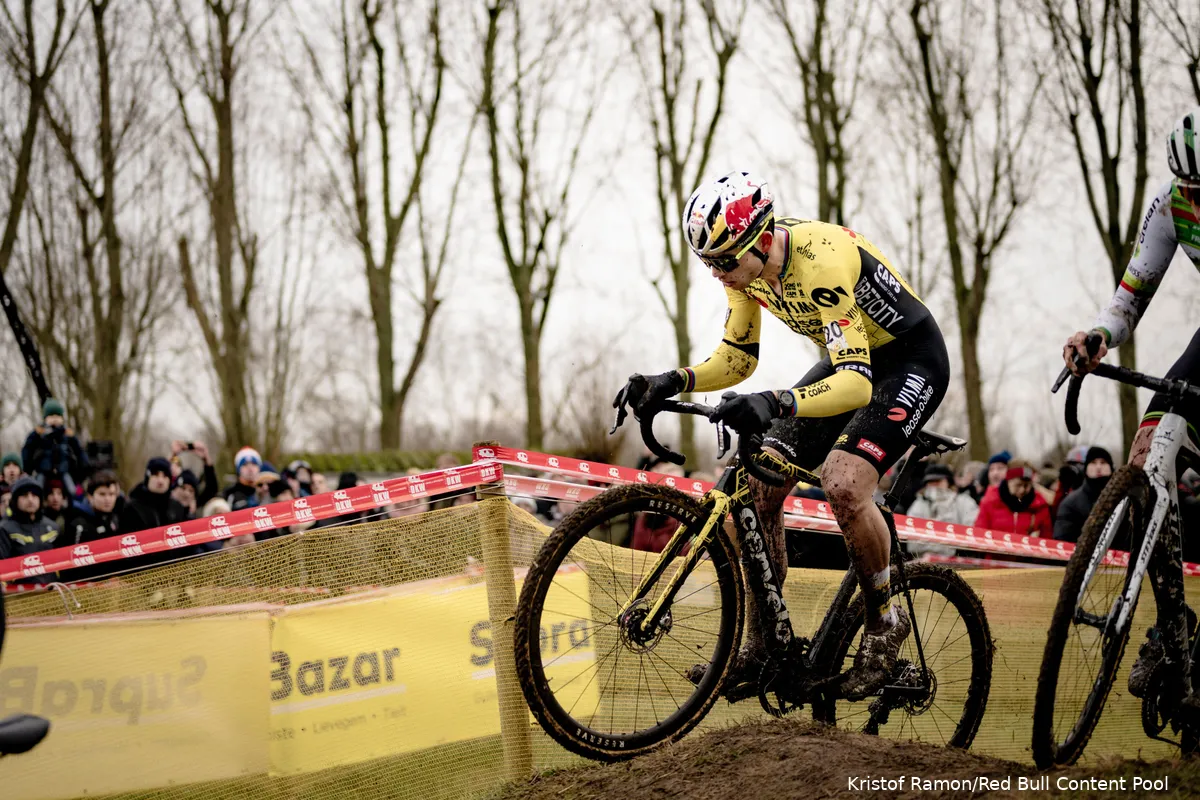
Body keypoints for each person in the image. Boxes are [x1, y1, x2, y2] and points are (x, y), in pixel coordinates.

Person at [616, 170, 951, 700]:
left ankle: (885, 626)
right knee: (754, 487)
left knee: (843, 483)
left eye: (726, 261)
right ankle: (763, 643)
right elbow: (737, 357)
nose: (720, 274)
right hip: (849, 362)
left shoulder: (819, 262)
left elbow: (857, 384)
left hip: (909, 362)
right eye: (708, 264)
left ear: (765, 240)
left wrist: (776, 400)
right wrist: (674, 378)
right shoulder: (747, 269)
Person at [1063, 107, 1200, 700]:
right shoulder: (1172, 204)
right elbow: (1130, 296)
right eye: (1193, 187)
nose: (1199, 198)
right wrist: (1096, 335)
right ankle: (1175, 631)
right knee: (1148, 454)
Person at [20, 398, 88, 492]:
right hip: (43, 470)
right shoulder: (39, 433)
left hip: (63, 470)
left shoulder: (68, 434)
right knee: (37, 489)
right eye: (51, 416)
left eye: (58, 416)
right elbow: (27, 449)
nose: (55, 419)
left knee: (72, 490)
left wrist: (81, 471)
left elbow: (79, 451)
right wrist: (27, 469)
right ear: (45, 418)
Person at [974, 459, 1053, 537]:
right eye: (1018, 485)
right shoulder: (990, 502)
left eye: (1026, 486)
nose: (1022, 490)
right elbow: (979, 534)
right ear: (1008, 481)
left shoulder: (1040, 506)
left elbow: (1046, 538)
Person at [1053, 447, 1115, 544]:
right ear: (1086, 468)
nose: (1098, 467)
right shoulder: (1070, 503)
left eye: (1103, 462)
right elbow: (1062, 541)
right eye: (1093, 462)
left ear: (1111, 468)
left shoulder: (1124, 500)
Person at [0, 478, 59, 569]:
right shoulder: (5, 529)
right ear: (15, 500)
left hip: (51, 583)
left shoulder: (53, 527)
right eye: (24, 495)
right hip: (19, 583)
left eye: (34, 495)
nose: (30, 500)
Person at [120, 457, 189, 534]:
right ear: (148, 478)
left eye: (165, 476)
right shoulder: (132, 509)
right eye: (156, 475)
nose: (160, 481)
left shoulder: (177, 508)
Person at [906, 464, 979, 526]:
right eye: (930, 481)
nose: (934, 484)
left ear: (949, 482)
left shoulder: (964, 502)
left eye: (938, 481)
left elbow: (972, 526)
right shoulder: (919, 504)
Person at [222, 447, 262, 511]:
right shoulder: (229, 493)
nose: (250, 469)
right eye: (245, 464)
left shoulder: (266, 490)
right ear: (238, 469)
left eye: (254, 464)